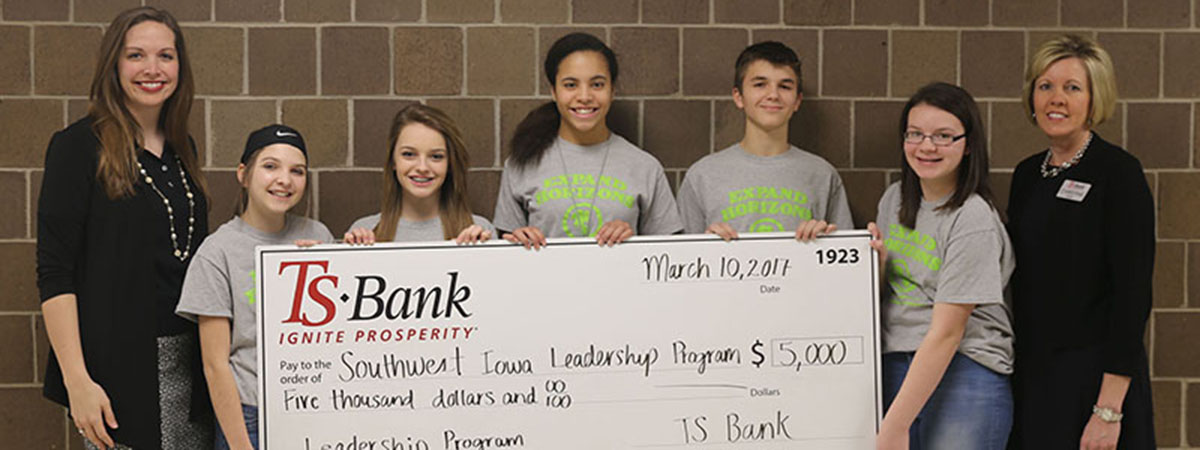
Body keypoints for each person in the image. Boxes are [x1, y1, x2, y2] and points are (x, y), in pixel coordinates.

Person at [802, 82, 1014, 449]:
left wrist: (895, 424)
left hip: (963, 368)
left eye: (943, 136)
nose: (926, 146)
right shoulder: (895, 199)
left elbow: (948, 332)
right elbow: (889, 296)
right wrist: (869, 263)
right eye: (915, 134)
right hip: (894, 362)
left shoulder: (973, 218)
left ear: (968, 145)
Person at [37, 6, 212, 449]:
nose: (152, 69)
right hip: (118, 368)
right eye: (136, 55)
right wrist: (78, 381)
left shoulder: (181, 147)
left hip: (190, 367)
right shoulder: (77, 146)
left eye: (165, 56)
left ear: (180, 66)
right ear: (114, 64)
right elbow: (54, 273)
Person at [1007, 34, 1155, 449]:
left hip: (1097, 382)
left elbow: (1132, 295)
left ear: (1094, 98)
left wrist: (1108, 411)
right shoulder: (1026, 176)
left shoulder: (1119, 174)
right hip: (1036, 378)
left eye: (1072, 88)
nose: (1057, 98)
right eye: (1045, 86)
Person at [175, 125, 334, 450]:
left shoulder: (318, 235)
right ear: (244, 175)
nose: (284, 180)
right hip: (250, 414)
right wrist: (241, 444)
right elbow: (215, 365)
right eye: (270, 166)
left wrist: (329, 262)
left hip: (314, 408)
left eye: (297, 171)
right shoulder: (217, 252)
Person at [494, 32, 682, 248]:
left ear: (612, 90)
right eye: (570, 85)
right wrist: (520, 239)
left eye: (597, 84)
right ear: (553, 91)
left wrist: (634, 240)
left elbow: (667, 257)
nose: (584, 96)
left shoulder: (645, 167)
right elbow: (504, 257)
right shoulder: (521, 163)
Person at [676, 41, 853, 240]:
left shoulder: (823, 175)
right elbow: (680, 262)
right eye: (760, 84)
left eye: (785, 86)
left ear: (797, 101)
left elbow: (847, 262)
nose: (773, 95)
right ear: (739, 97)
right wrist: (704, 247)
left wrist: (826, 242)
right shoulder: (702, 175)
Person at [342, 104, 495, 244]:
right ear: (393, 161)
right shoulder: (364, 232)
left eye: (436, 156)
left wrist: (482, 253)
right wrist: (352, 254)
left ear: (450, 164)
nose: (422, 167)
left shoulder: (480, 231)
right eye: (409, 154)